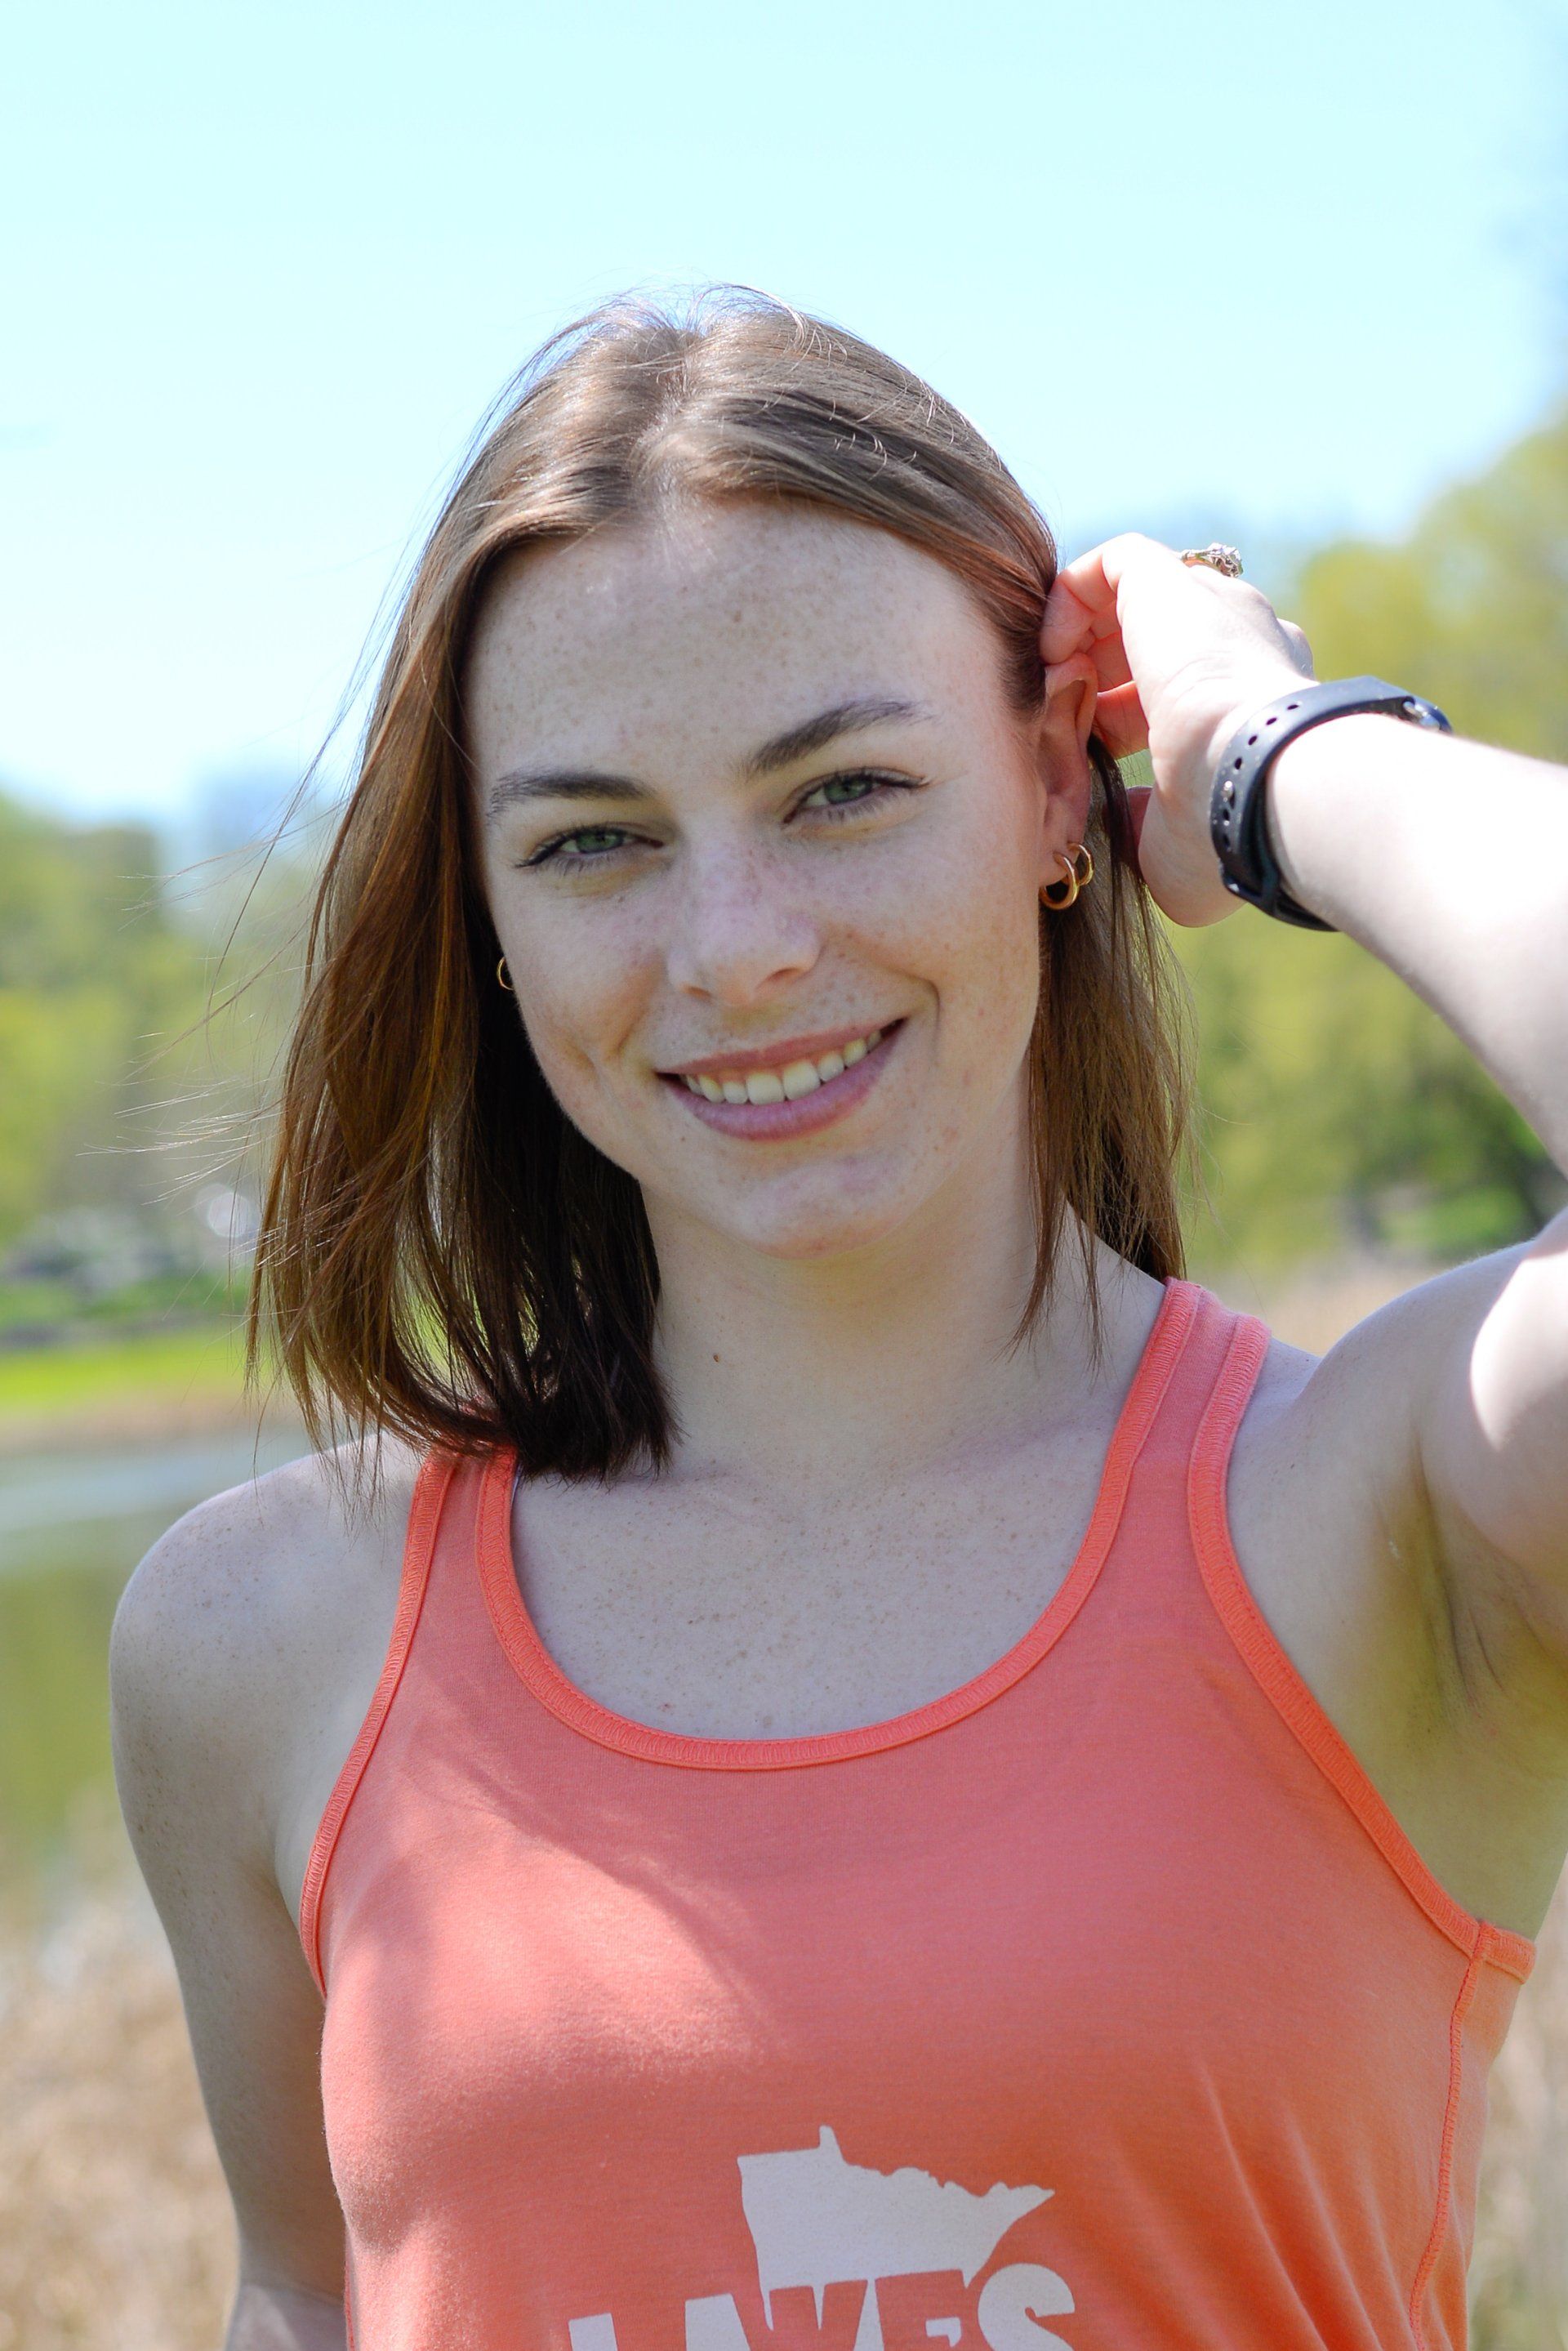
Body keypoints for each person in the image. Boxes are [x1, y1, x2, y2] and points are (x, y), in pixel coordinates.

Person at [109, 292, 1568, 2351]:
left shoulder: (1374, 1512)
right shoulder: (259, 1640)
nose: (739, 950)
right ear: (497, 929)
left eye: (845, 790)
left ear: (1061, 793)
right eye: (595, 839)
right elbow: (304, 2293)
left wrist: (1269, 756)